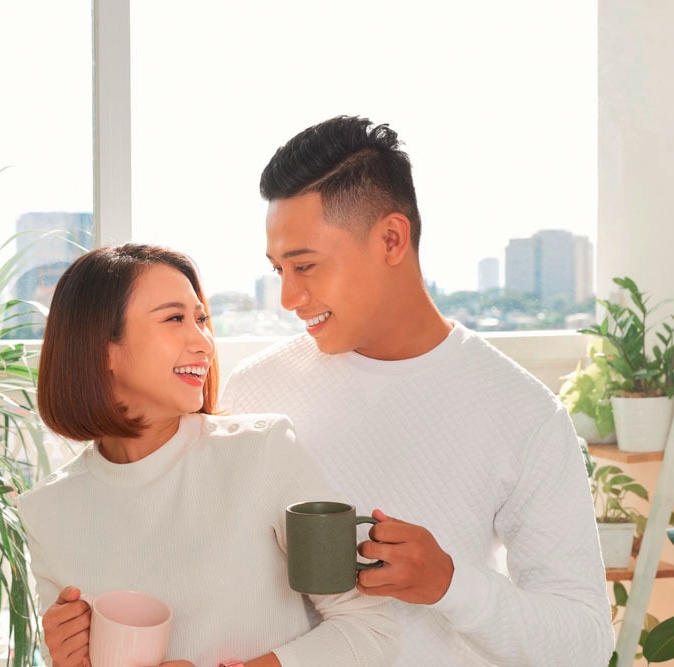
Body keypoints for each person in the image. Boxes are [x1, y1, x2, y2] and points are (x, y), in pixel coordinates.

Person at [221, 115, 614, 667]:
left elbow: (585, 645)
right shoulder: (256, 389)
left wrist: (450, 584)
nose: (288, 297)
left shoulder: (522, 412)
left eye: (305, 265)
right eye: (278, 269)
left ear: (391, 238)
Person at [17, 243, 399, 667]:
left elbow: (370, 630)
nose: (204, 343)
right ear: (102, 348)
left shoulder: (261, 452)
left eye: (201, 319)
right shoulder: (47, 511)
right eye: (175, 319)